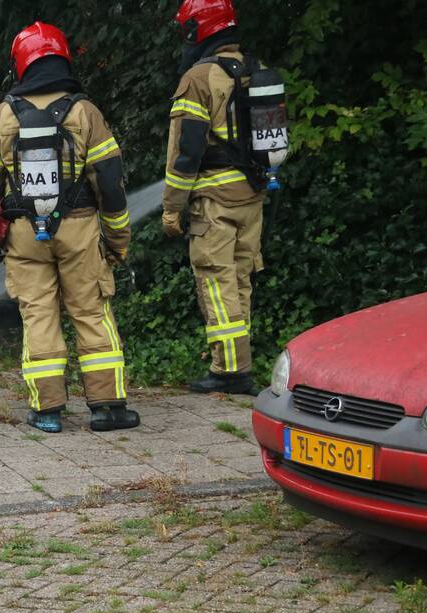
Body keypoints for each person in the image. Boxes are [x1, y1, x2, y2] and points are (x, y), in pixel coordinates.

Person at [0, 21, 140, 434]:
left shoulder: (3, 116)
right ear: (62, 57)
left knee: (38, 317)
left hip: (24, 234)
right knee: (90, 311)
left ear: (21, 64)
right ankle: (107, 408)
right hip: (80, 231)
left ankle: (47, 411)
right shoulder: (85, 112)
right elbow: (111, 185)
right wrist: (117, 241)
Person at [162, 0, 265, 396]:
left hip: (215, 200)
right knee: (240, 281)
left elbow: (185, 152)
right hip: (252, 195)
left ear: (197, 30)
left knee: (217, 283)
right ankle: (240, 362)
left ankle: (229, 371)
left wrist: (172, 207)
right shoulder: (254, 70)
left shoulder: (200, 78)